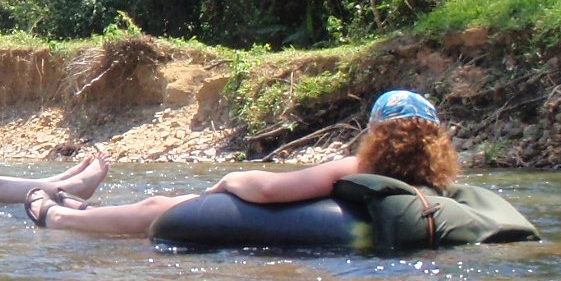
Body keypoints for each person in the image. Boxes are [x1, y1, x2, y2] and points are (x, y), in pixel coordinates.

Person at [26, 88, 458, 236]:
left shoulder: (359, 168)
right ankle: (85, 208)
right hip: (336, 229)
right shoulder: (437, 186)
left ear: (375, 133)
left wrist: (230, 180)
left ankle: (58, 218)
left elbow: (268, 190)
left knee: (157, 206)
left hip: (282, 223)